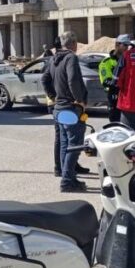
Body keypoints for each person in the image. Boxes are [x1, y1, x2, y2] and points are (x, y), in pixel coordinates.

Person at [43, 31, 89, 193]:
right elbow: (73, 79)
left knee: (65, 144)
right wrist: (79, 100)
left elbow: (44, 79)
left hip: (59, 108)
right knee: (75, 145)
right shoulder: (71, 58)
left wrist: (53, 96)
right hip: (70, 108)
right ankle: (67, 181)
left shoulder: (53, 59)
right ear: (74, 44)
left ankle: (67, 176)